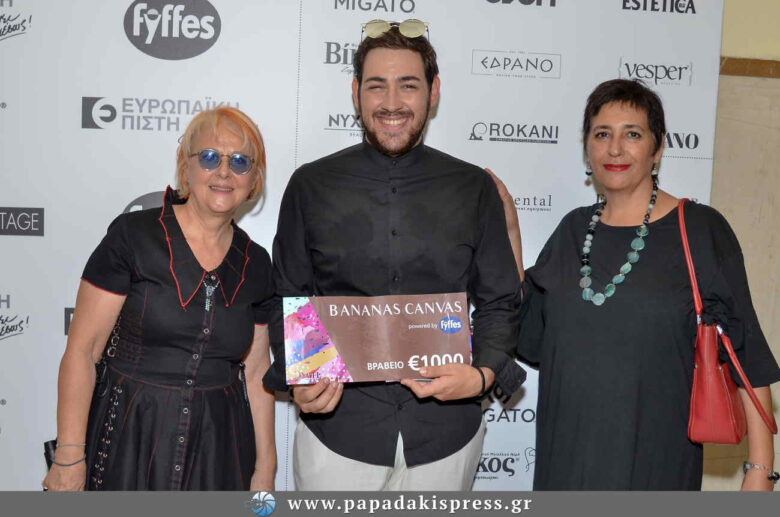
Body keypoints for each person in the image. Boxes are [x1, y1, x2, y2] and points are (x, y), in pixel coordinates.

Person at [263, 21, 525, 490]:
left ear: (433, 92)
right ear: (356, 93)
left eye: (408, 85)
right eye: (376, 86)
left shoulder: (473, 188)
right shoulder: (311, 185)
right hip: (338, 432)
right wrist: (303, 379)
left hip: (447, 435)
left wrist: (483, 375)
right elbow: (289, 294)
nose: (391, 103)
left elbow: (500, 300)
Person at [498, 78, 780, 490]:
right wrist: (510, 234)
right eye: (602, 134)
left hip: (655, 463)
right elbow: (531, 336)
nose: (615, 149)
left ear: (658, 147)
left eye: (632, 134)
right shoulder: (572, 230)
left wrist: (761, 470)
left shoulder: (699, 229)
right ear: (587, 147)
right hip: (565, 462)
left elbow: (746, 353)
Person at [42, 107, 277, 491]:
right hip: (129, 435)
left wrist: (265, 469)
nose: (223, 171)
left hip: (219, 447)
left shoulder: (257, 263)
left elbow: (255, 373)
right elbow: (83, 351)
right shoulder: (134, 236)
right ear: (186, 167)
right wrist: (69, 455)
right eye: (209, 157)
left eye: (239, 161)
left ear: (254, 178)